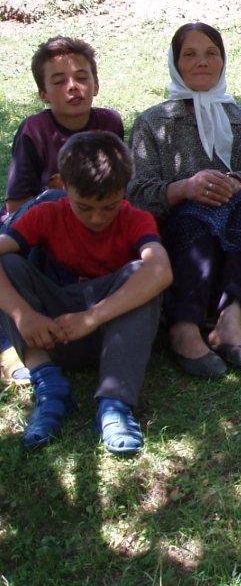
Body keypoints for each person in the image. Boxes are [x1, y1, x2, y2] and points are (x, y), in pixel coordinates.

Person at [0, 131, 172, 454]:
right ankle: (49, 385)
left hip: (111, 334)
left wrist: (91, 318)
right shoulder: (47, 213)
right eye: (85, 207)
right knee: (8, 264)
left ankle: (115, 403)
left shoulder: (135, 219)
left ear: (124, 190)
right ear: (63, 185)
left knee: (142, 275)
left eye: (108, 207)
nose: (97, 218)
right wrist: (25, 315)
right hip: (52, 332)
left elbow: (161, 270)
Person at [128, 23, 241, 378]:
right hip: (179, 230)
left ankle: (230, 320)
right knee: (196, 215)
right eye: (190, 54)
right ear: (175, 63)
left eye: (211, 53)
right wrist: (185, 188)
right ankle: (184, 326)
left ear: (223, 61)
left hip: (235, 223)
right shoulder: (153, 123)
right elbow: (136, 193)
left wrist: (236, 183)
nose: (202, 62)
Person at [1, 36, 124, 386]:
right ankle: (10, 343)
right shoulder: (34, 131)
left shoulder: (109, 123)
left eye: (82, 77)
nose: (73, 87)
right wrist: (61, 199)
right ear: (43, 93)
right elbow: (16, 206)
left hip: (96, 223)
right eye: (59, 81)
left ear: (96, 84)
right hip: (43, 228)